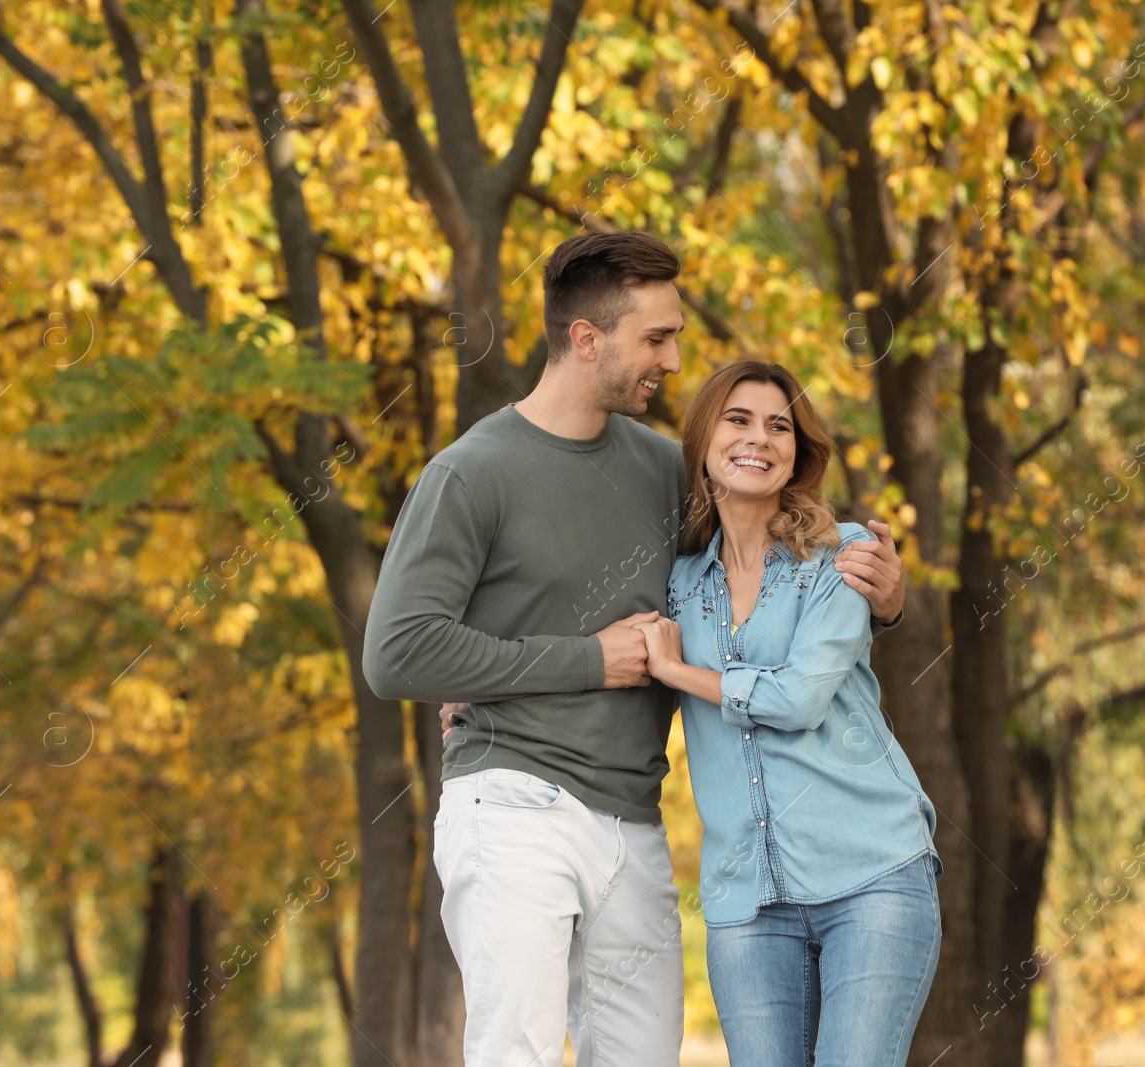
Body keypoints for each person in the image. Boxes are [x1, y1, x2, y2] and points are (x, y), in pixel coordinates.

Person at [360, 231, 906, 1067]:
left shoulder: (667, 471)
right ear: (587, 339)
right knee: (521, 1053)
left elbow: (777, 557)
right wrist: (577, 662)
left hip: (633, 819)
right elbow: (397, 651)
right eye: (657, 338)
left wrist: (885, 596)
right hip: (513, 804)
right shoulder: (472, 473)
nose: (674, 359)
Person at [633, 359, 942, 1067]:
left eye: (779, 426)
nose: (760, 438)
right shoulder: (677, 582)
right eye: (738, 419)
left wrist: (682, 671)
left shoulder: (842, 555)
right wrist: (480, 688)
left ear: (798, 451)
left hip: (872, 872)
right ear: (705, 439)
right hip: (746, 895)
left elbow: (800, 698)